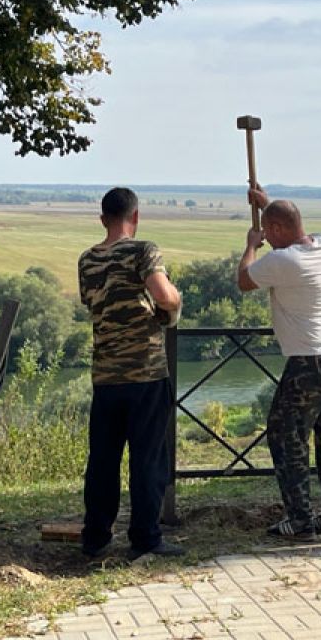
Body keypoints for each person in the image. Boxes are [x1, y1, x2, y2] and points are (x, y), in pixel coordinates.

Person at [237, 185, 321, 540]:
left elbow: (243, 280)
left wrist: (251, 245)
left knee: (287, 438)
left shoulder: (281, 260)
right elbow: (290, 225)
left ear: (276, 231)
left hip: (308, 364)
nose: (268, 240)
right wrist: (267, 205)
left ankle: (300, 519)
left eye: (270, 233)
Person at [78, 187, 184, 559]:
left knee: (103, 460)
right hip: (145, 373)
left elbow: (97, 304)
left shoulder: (87, 260)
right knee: (147, 459)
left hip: (105, 375)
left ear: (103, 218)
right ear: (135, 217)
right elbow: (163, 295)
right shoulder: (143, 250)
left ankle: (95, 537)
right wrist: (175, 302)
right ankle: (145, 539)